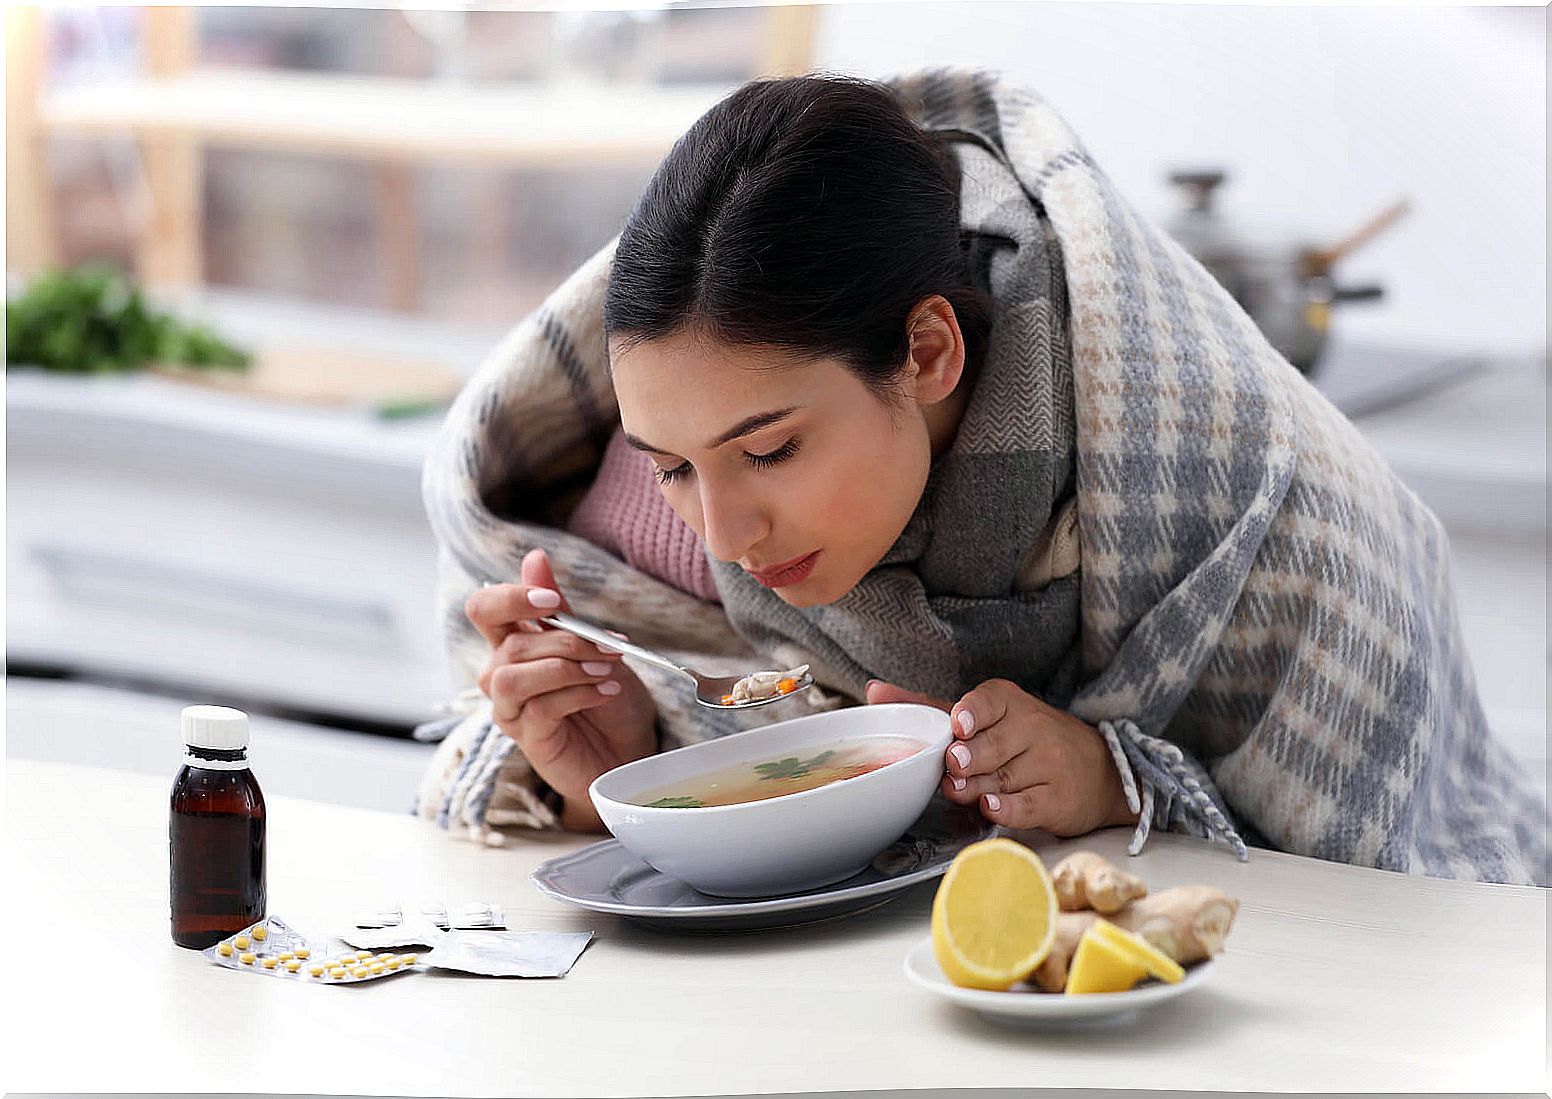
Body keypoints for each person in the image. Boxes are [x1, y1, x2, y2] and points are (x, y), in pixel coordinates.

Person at [419, 71, 1545, 886]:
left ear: (926, 353)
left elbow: (1407, 891)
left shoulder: (1267, 495)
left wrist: (1117, 785)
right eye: (672, 465)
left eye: (769, 451)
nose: (723, 533)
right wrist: (610, 775)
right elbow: (720, 745)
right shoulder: (622, 527)